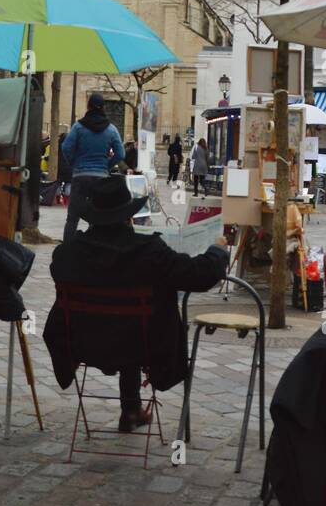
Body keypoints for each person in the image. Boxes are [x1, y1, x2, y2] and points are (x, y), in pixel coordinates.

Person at [43, 175, 229, 431]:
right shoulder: (149, 251)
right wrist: (217, 251)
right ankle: (131, 409)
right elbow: (199, 275)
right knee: (131, 325)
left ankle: (131, 410)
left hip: (82, 342)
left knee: (120, 323)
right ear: (128, 216)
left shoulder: (68, 254)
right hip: (144, 344)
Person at [59, 93, 125, 242]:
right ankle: (94, 249)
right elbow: (120, 153)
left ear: (88, 106)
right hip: (101, 178)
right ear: (103, 108)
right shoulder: (111, 129)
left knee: (72, 219)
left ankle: (66, 251)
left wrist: (74, 163)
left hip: (80, 176)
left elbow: (66, 147)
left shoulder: (78, 127)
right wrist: (106, 166)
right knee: (97, 218)